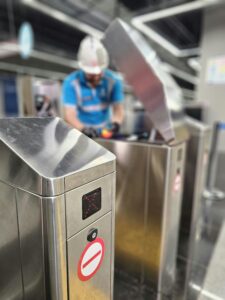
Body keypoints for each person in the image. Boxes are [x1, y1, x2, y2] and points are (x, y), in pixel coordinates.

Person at [62, 35, 124, 137]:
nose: (95, 78)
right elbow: (70, 114)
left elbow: (118, 109)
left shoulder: (114, 81)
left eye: (99, 74)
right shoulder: (71, 83)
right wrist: (83, 130)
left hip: (105, 133)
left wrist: (116, 123)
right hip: (81, 133)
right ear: (83, 68)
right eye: (91, 75)